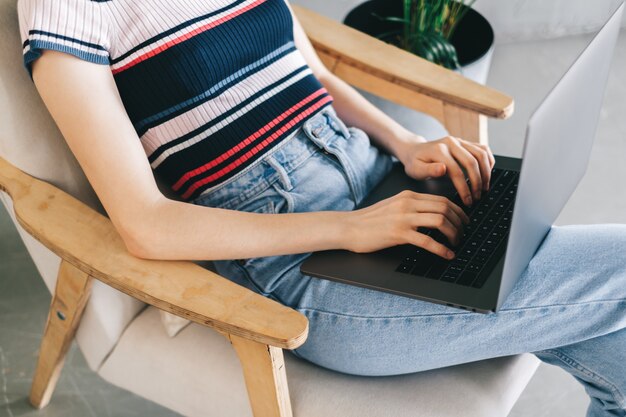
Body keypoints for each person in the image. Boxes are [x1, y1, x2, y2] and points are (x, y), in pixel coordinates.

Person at [17, 0, 626, 415]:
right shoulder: (71, 11)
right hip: (303, 277)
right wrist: (352, 227)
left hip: (391, 188)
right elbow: (145, 223)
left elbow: (306, 71)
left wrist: (406, 143)